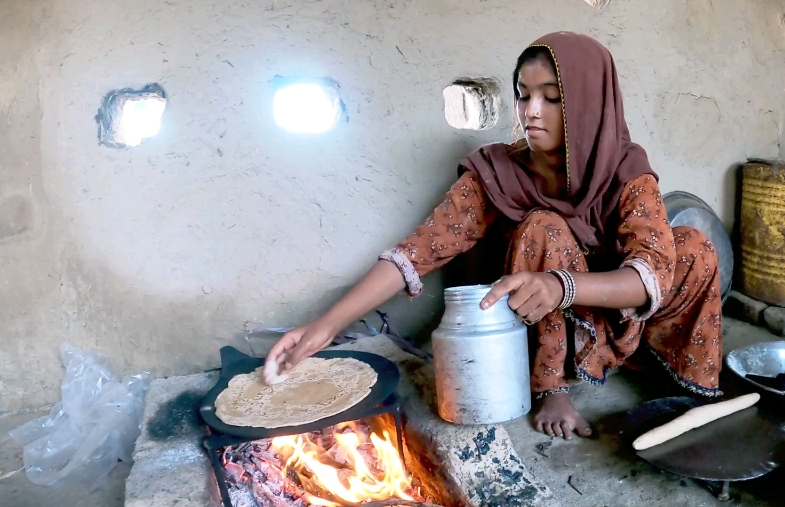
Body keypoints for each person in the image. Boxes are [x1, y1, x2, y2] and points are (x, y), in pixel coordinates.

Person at [266, 31, 723, 441]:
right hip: (534, 320)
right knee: (544, 227)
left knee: (693, 247)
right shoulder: (499, 170)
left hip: (609, 310)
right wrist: (324, 326)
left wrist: (563, 286)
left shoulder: (626, 168)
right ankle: (551, 387)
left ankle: (680, 377)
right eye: (523, 96)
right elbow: (419, 249)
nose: (531, 111)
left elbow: (650, 277)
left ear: (589, 104)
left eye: (551, 98)